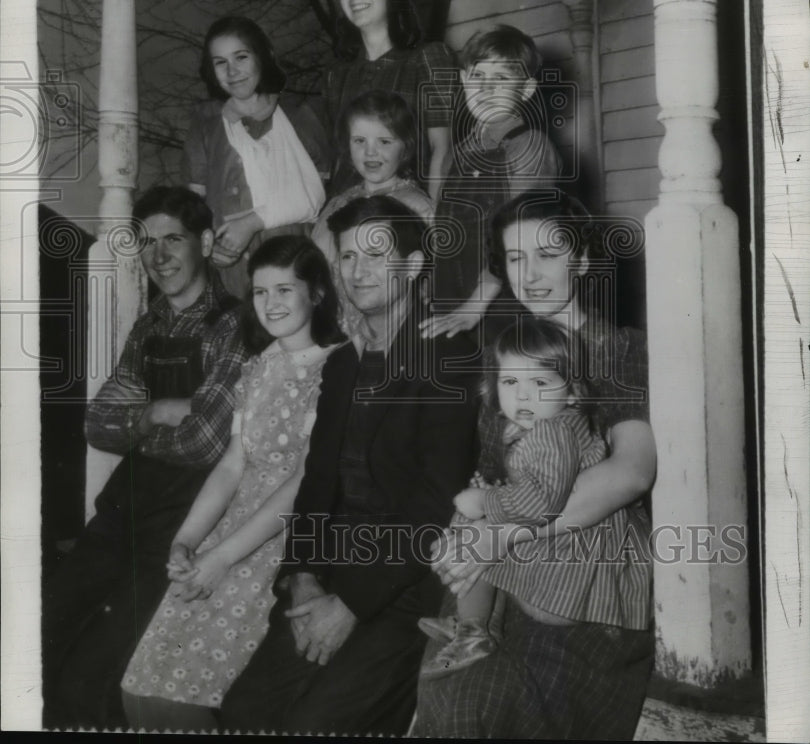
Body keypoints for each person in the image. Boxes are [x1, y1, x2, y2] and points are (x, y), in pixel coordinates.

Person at [218, 195, 480, 736]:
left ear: (411, 267)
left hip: (400, 591)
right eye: (347, 257)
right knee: (243, 714)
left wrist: (352, 606)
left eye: (375, 255)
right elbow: (317, 483)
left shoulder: (448, 356)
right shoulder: (343, 361)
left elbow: (434, 504)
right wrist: (304, 578)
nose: (357, 272)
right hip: (326, 574)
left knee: (314, 726)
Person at [415, 190, 656, 740]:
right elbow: (494, 471)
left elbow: (632, 471)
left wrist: (501, 537)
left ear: (583, 261)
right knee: (449, 695)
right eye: (517, 258)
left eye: (549, 254)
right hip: (502, 552)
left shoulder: (616, 349)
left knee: (486, 705)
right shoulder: (508, 352)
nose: (531, 273)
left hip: (587, 563)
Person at [42, 186, 249, 731]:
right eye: (148, 242)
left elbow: (207, 440)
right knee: (38, 629)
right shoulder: (148, 325)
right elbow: (97, 425)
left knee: (95, 675)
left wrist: (141, 422)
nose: (158, 256)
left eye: (173, 240)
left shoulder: (235, 325)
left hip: (178, 528)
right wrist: (160, 410)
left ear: (204, 242)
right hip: (120, 514)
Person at [121, 235, 346, 731]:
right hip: (230, 531)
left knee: (188, 694)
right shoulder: (258, 366)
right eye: (261, 293)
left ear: (318, 294)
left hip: (280, 542)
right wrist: (188, 541)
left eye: (285, 290)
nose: (272, 304)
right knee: (143, 685)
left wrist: (223, 557)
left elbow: (305, 481)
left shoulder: (337, 367)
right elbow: (231, 464)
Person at [419, 317, 651, 683]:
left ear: (572, 391)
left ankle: (473, 630)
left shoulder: (551, 434)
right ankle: (477, 622)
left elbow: (540, 503)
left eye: (539, 383)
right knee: (470, 525)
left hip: (561, 582)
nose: (523, 395)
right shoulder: (559, 421)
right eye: (510, 382)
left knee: (471, 523)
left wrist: (485, 500)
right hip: (567, 563)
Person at [422, 25, 562, 341]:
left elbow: (520, 239)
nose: (486, 89)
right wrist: (431, 280)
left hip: (506, 306)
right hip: (453, 307)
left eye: (500, 79)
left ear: (525, 90)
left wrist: (475, 306)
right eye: (477, 76)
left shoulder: (528, 146)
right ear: (462, 81)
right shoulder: (456, 155)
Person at [183, 15, 329, 296]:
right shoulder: (205, 124)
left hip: (293, 260)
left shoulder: (300, 116)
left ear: (262, 57)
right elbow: (194, 209)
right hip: (232, 271)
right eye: (220, 62)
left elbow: (316, 198)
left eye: (241, 57)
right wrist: (209, 245)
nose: (232, 70)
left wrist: (251, 223)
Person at [325, 0, 456, 200]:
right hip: (348, 206)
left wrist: (433, 221)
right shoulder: (336, 72)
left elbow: (443, 148)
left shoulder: (429, 58)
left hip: (406, 208)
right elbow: (340, 157)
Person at [312, 89, 433, 334]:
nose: (370, 152)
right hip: (333, 327)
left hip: (390, 331)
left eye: (384, 141)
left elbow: (430, 284)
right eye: (359, 141)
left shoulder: (416, 207)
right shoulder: (337, 204)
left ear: (406, 147)